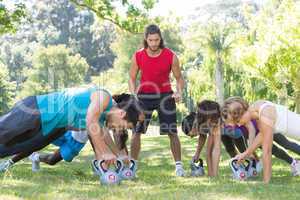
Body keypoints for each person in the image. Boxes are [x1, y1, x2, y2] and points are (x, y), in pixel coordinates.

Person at [0, 86, 144, 171]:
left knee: (8, 147)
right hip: (37, 109)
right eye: (125, 126)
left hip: (49, 128)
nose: (120, 129)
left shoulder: (102, 118)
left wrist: (120, 157)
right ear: (122, 113)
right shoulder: (103, 98)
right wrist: (105, 153)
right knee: (3, 134)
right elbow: (90, 120)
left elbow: (103, 136)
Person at [128, 24, 185, 176]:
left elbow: (179, 78)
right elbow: (132, 78)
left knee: (172, 132)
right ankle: (132, 166)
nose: (154, 43)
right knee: (136, 131)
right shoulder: (138, 55)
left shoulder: (170, 55)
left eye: (156, 40)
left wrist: (179, 92)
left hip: (165, 96)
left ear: (160, 39)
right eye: (151, 40)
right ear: (146, 39)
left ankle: (179, 166)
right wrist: (133, 96)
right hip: (143, 97)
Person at [222, 97, 300, 183]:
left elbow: (267, 151)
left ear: (242, 112)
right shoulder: (257, 111)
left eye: (237, 121)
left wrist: (265, 182)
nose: (239, 125)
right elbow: (262, 135)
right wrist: (246, 153)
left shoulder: (265, 113)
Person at [0, 130, 88, 172]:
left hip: (77, 141)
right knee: (35, 144)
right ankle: (8, 163)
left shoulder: (101, 111)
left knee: (52, 161)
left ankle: (36, 157)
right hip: (67, 129)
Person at [181, 100, 221, 176]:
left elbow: (216, 148)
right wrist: (197, 154)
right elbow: (203, 136)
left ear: (193, 126)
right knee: (208, 151)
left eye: (191, 135)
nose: (192, 137)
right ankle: (212, 174)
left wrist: (214, 175)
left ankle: (213, 174)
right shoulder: (204, 123)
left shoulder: (208, 119)